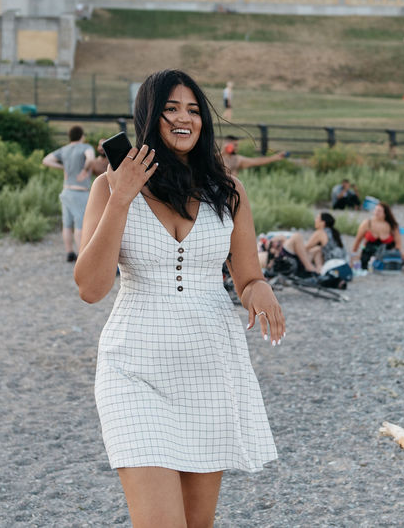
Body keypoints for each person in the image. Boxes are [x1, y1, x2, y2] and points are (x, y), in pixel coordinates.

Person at [74, 69, 282, 526]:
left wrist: (259, 289)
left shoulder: (227, 191)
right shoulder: (109, 188)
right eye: (171, 108)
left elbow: (247, 277)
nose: (184, 118)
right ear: (150, 117)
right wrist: (121, 198)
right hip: (134, 370)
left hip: (209, 367)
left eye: (193, 109)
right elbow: (90, 288)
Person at [42, 126, 95, 262]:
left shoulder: (64, 150)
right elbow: (90, 159)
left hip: (66, 191)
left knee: (67, 224)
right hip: (80, 192)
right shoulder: (86, 147)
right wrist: (85, 170)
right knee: (80, 225)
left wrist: (62, 167)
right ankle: (82, 255)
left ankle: (69, 253)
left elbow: (46, 160)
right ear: (82, 135)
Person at [351, 201, 403, 270]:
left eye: (379, 211)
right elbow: (358, 240)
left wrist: (397, 254)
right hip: (368, 253)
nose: (376, 212)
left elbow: (398, 244)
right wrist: (353, 256)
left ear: (385, 213)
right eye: (375, 210)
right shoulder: (367, 223)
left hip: (386, 255)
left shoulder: (392, 225)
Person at [221, 135, 286, 176]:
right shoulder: (218, 158)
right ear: (227, 145)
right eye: (235, 145)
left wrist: (275, 157)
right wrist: (223, 152)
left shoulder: (237, 159)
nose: (237, 148)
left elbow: (256, 161)